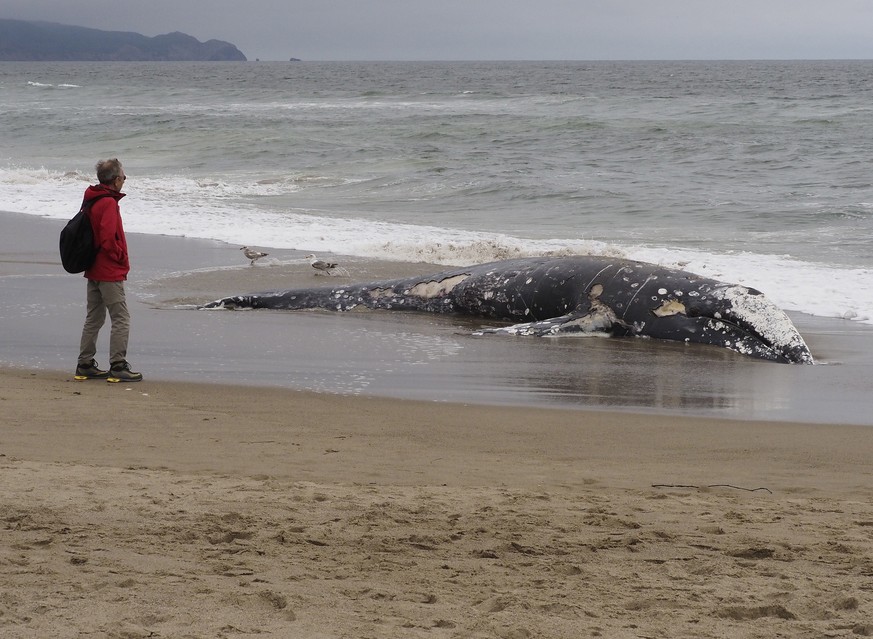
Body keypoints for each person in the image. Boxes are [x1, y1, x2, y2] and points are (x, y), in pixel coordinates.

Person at [74, 158, 143, 382]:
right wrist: (121, 257)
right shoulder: (108, 203)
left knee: (94, 317)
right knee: (121, 317)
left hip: (93, 268)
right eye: (123, 176)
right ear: (115, 180)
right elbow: (107, 239)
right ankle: (118, 365)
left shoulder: (92, 200)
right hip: (108, 270)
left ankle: (85, 364)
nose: (125, 180)